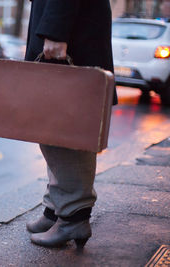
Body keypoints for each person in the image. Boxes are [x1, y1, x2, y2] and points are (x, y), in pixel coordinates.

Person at [24, 0, 117, 249]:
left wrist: (56, 31)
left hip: (70, 33)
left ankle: (73, 218)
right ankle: (57, 210)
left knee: (68, 132)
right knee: (52, 130)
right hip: (69, 26)